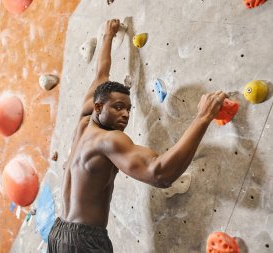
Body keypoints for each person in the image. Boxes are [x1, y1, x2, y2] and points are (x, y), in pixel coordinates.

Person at [47, 19, 227, 253]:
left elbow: (101, 72)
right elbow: (160, 173)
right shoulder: (108, 140)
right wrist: (203, 118)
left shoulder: (85, 118)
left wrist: (108, 36)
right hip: (84, 243)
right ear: (100, 107)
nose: (126, 115)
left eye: (128, 108)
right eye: (118, 107)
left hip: (58, 234)